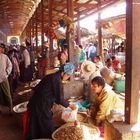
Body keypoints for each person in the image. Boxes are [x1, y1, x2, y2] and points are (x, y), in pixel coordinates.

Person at [25, 62, 76, 139]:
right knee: (48, 128)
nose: (68, 77)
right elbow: (59, 99)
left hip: (35, 103)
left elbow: (38, 88)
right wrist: (70, 105)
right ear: (63, 72)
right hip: (41, 106)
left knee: (34, 126)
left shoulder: (51, 76)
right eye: (68, 75)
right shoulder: (56, 80)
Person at [0, 44, 13, 113]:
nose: (2, 49)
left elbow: (10, 65)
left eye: (2, 48)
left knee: (7, 94)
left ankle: (11, 109)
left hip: (4, 78)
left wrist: (7, 73)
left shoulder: (4, 57)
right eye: (1, 48)